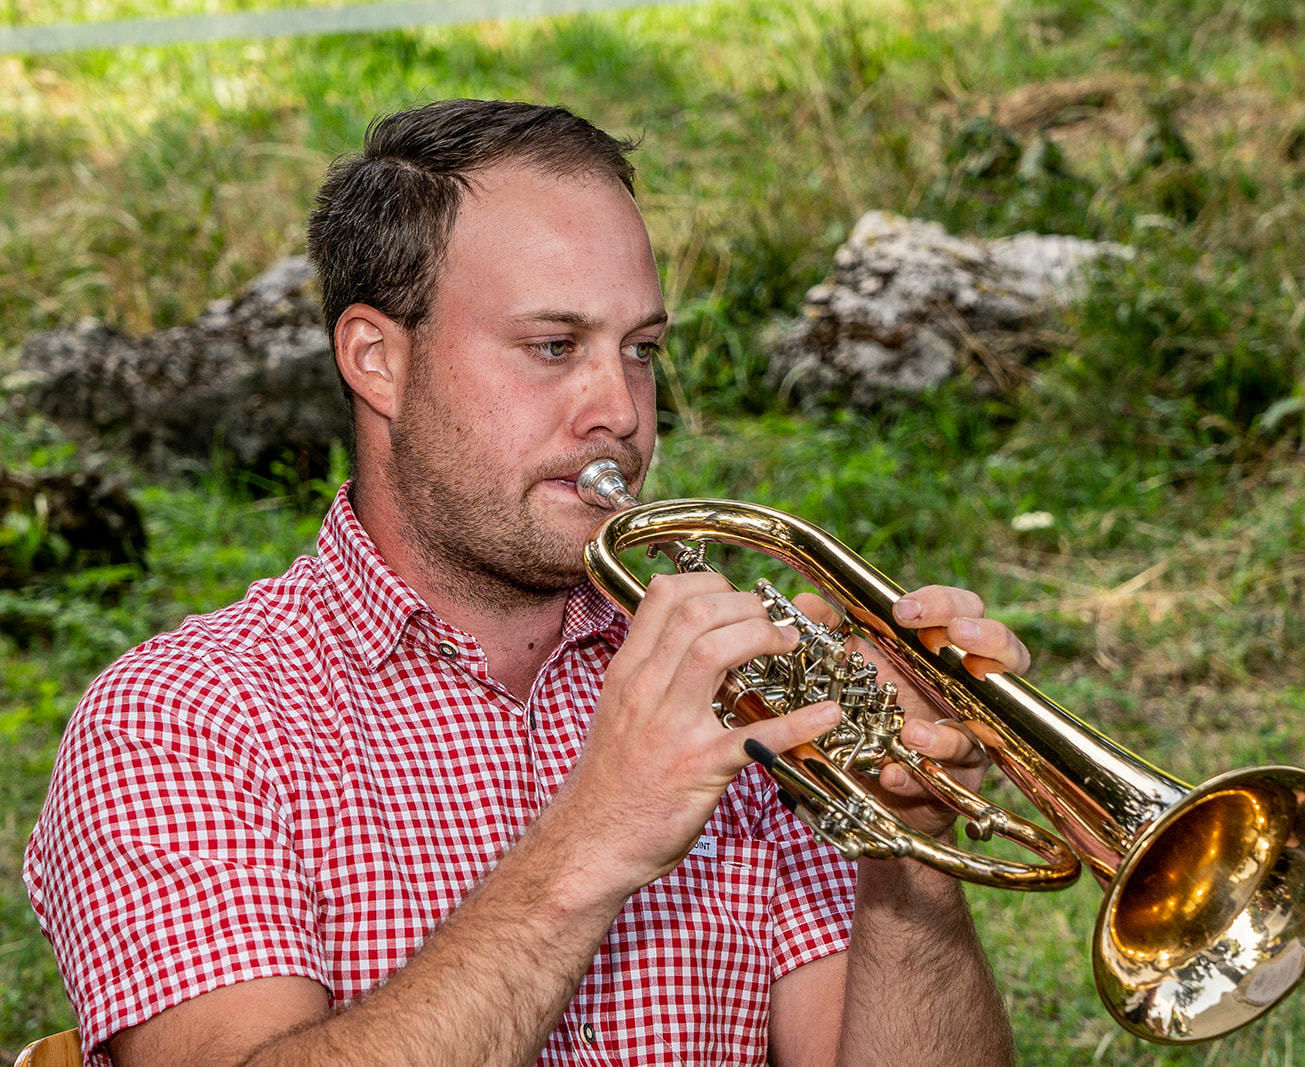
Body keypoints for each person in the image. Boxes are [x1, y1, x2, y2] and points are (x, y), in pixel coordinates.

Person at [25, 99, 1031, 1067]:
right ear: (377, 359)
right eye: (554, 346)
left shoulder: (731, 680)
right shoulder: (184, 719)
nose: (621, 412)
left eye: (640, 350)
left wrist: (909, 852)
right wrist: (599, 831)